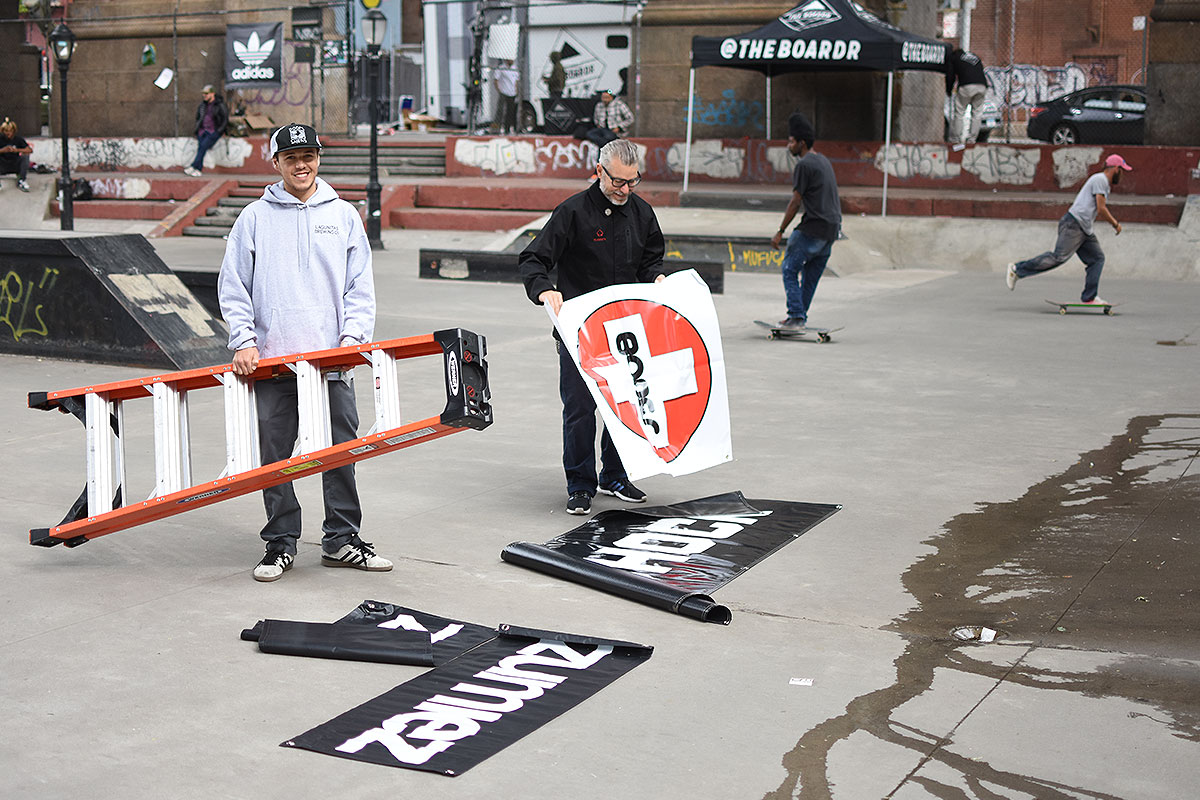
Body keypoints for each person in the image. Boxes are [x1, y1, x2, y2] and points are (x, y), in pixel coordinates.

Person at [218, 123, 390, 582]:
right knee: (275, 457)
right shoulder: (254, 217)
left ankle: (341, 539)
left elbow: (360, 288)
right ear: (275, 162)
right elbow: (233, 284)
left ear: (318, 158)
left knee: (340, 453)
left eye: (309, 155)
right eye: (292, 158)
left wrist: (352, 341)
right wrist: (244, 340)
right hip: (273, 364)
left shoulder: (345, 215)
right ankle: (280, 543)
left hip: (330, 363)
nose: (302, 164)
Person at [518, 138, 666, 516]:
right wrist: (545, 291)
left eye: (633, 182)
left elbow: (650, 260)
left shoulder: (643, 214)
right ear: (599, 171)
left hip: (626, 331)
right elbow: (533, 258)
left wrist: (657, 278)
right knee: (581, 409)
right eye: (618, 181)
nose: (625, 190)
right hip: (579, 332)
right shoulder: (572, 213)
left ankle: (615, 476)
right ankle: (580, 484)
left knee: (626, 405)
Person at [1006, 154, 1131, 304]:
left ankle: (1089, 297)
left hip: (1084, 228)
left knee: (1097, 259)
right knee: (1058, 257)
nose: (1122, 175)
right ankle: (1017, 270)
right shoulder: (1101, 180)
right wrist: (1115, 224)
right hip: (1074, 224)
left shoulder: (1102, 181)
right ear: (1115, 168)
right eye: (1122, 170)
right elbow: (1101, 208)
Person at [769, 111, 842, 329]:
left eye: (791, 141)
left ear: (801, 143)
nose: (788, 145)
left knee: (789, 269)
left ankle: (796, 316)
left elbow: (795, 202)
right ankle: (799, 315)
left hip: (814, 227)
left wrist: (780, 230)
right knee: (810, 276)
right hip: (832, 229)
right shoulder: (823, 160)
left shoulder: (804, 165)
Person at [946, 48, 989, 144]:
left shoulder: (954, 58)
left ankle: (955, 139)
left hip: (967, 85)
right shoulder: (974, 56)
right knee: (977, 113)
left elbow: (950, 75)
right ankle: (972, 139)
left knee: (959, 112)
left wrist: (948, 90)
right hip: (982, 86)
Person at [185, 84, 228, 177]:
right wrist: (198, 129)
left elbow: (224, 119)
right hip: (202, 131)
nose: (205, 96)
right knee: (201, 148)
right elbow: (198, 117)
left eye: (207, 94)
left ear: (212, 94)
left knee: (203, 147)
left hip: (213, 131)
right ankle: (196, 168)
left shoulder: (219, 105)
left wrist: (219, 130)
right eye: (203, 94)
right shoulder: (202, 105)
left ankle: (195, 167)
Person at [0, 119, 33, 192]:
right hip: (3, 165)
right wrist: (3, 150)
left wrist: (17, 150)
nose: (8, 133)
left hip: (15, 164)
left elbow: (30, 150)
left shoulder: (18, 139)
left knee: (25, 157)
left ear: (13, 131)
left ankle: (21, 180)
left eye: (10, 131)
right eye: (6, 131)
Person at [493, 59, 518, 134]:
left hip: (512, 93)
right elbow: (496, 80)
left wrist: (516, 91)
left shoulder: (515, 68)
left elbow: (516, 81)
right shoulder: (501, 68)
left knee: (510, 112)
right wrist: (499, 90)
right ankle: (496, 128)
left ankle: (507, 128)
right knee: (500, 111)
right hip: (504, 92)